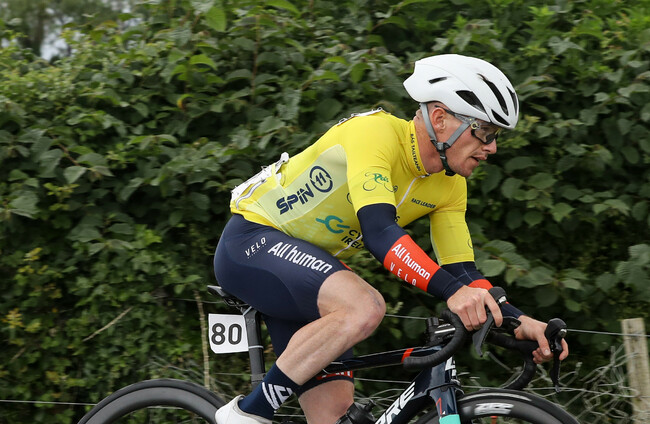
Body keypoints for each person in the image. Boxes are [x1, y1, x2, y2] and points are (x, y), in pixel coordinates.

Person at [213, 54, 569, 424]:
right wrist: (453, 293)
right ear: (440, 118)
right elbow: (380, 232)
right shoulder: (374, 134)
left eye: (496, 135)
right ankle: (246, 415)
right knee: (365, 306)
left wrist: (519, 320)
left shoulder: (450, 186)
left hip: (309, 280)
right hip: (252, 242)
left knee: (334, 417)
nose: (492, 147)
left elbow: (462, 273)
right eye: (485, 132)